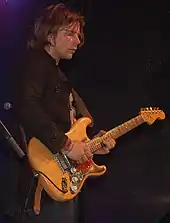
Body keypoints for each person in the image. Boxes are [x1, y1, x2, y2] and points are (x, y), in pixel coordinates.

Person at [12, 3, 116, 223]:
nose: (78, 42)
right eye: (70, 34)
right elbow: (27, 108)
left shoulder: (58, 76)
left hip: (64, 181)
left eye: (78, 36)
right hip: (45, 180)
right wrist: (67, 146)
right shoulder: (37, 65)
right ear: (49, 36)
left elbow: (69, 126)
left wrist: (94, 143)